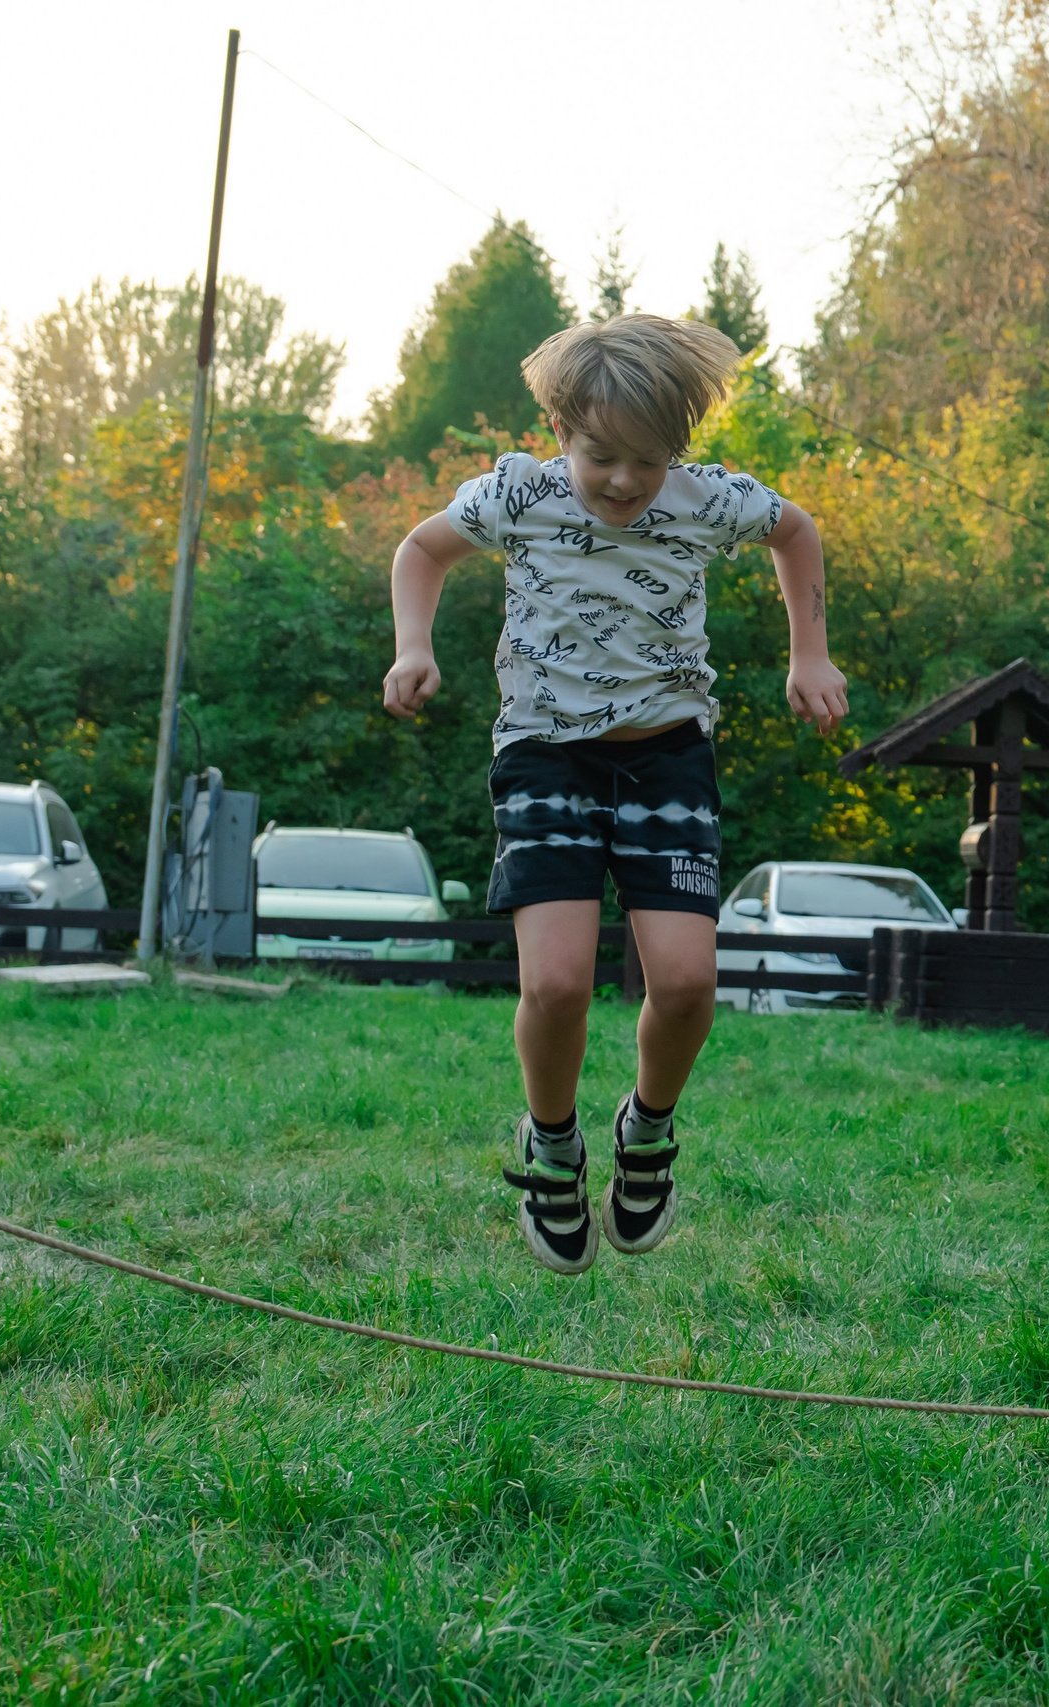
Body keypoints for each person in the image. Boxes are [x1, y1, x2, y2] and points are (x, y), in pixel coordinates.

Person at [381, 313, 848, 1274]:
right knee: (554, 982)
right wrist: (414, 645)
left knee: (684, 983)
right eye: (602, 457)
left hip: (667, 755)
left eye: (647, 459)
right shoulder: (520, 493)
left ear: (676, 450)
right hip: (547, 756)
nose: (626, 481)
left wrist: (811, 653)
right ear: (562, 433)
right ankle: (553, 1146)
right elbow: (421, 552)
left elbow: (795, 534)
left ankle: (648, 1135)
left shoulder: (708, 500)